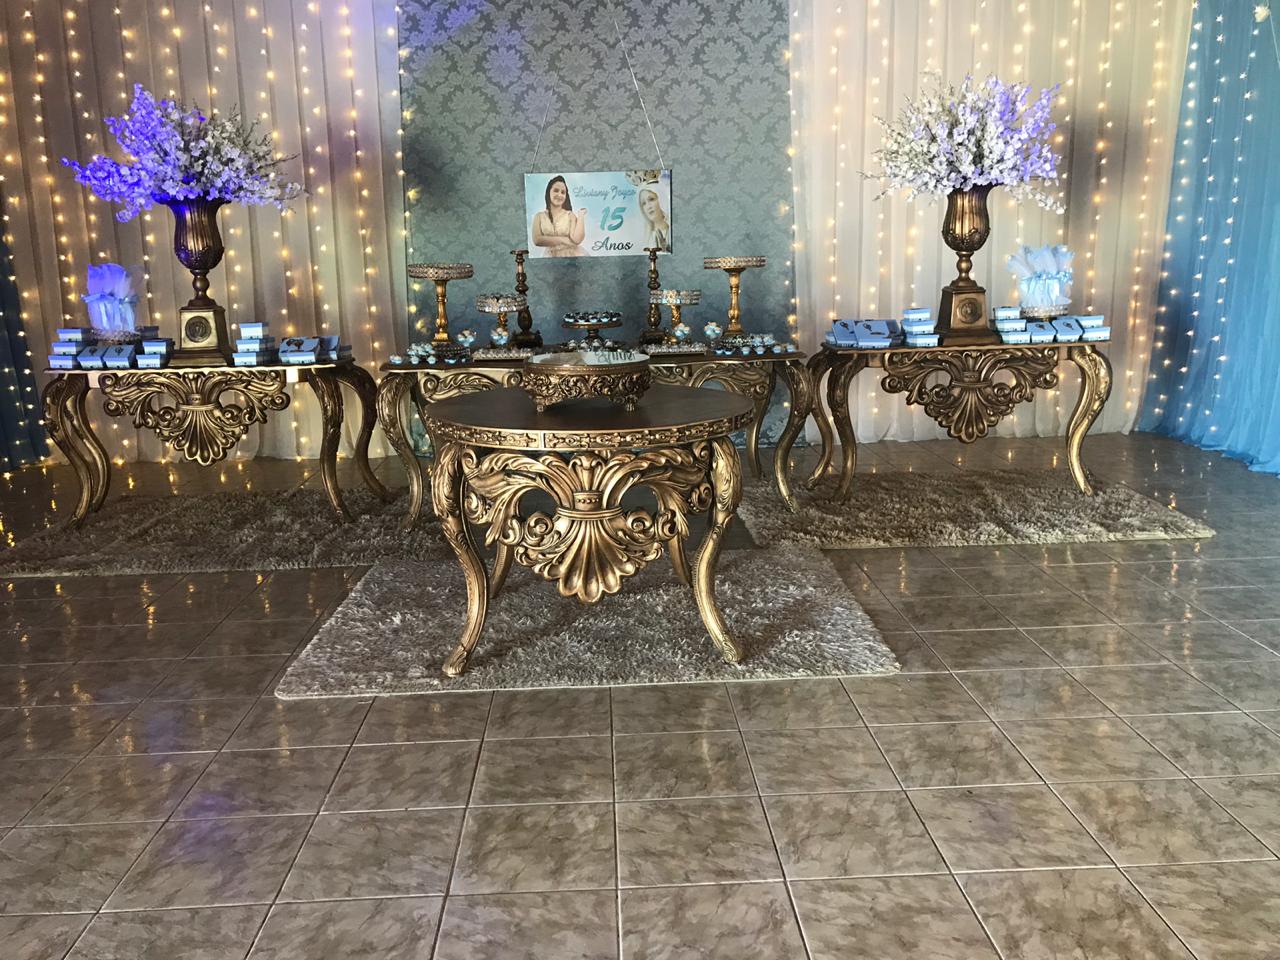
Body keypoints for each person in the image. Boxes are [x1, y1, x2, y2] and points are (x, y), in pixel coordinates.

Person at [531, 175, 587, 257]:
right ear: (548, 192)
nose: (559, 195)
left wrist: (581, 215)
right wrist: (563, 240)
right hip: (550, 257)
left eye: (563, 192)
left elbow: (577, 239)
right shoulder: (539, 216)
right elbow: (537, 240)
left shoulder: (570, 215)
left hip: (572, 256)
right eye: (556, 190)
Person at [638, 187, 671, 252]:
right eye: (644, 203)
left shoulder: (671, 231)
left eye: (651, 199)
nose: (648, 206)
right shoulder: (645, 238)